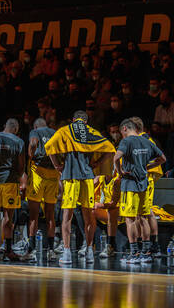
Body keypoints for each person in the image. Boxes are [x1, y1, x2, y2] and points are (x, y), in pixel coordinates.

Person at [45, 110, 115, 264]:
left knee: (67, 216)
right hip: (88, 177)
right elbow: (110, 148)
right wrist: (98, 163)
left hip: (71, 176)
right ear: (86, 121)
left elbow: (49, 146)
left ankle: (68, 252)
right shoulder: (91, 131)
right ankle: (90, 251)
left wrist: (57, 165)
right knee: (88, 215)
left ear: (73, 119)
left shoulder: (65, 130)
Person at [113, 119, 166, 264]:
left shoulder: (127, 141)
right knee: (144, 217)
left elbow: (116, 157)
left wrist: (120, 171)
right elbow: (162, 158)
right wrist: (147, 167)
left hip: (130, 184)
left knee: (130, 220)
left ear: (124, 129)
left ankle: (134, 253)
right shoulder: (146, 140)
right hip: (143, 184)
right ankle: (146, 252)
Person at [0, 119, 25, 261]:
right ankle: (8, 250)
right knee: (8, 217)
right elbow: (21, 166)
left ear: (5, 126)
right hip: (10, 182)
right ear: (16, 129)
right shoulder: (18, 142)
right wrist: (17, 177)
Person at [21, 118, 59, 262]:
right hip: (53, 174)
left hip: (38, 173)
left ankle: (31, 250)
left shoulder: (35, 132)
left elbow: (33, 143)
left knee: (34, 214)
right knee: (50, 214)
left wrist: (31, 155)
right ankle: (51, 251)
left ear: (35, 126)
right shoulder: (55, 133)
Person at [130, 116, 164, 257]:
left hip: (145, 180)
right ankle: (150, 246)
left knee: (144, 213)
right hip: (143, 179)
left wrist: (145, 167)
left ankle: (149, 246)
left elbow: (160, 159)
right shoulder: (145, 140)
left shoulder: (145, 141)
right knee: (145, 212)